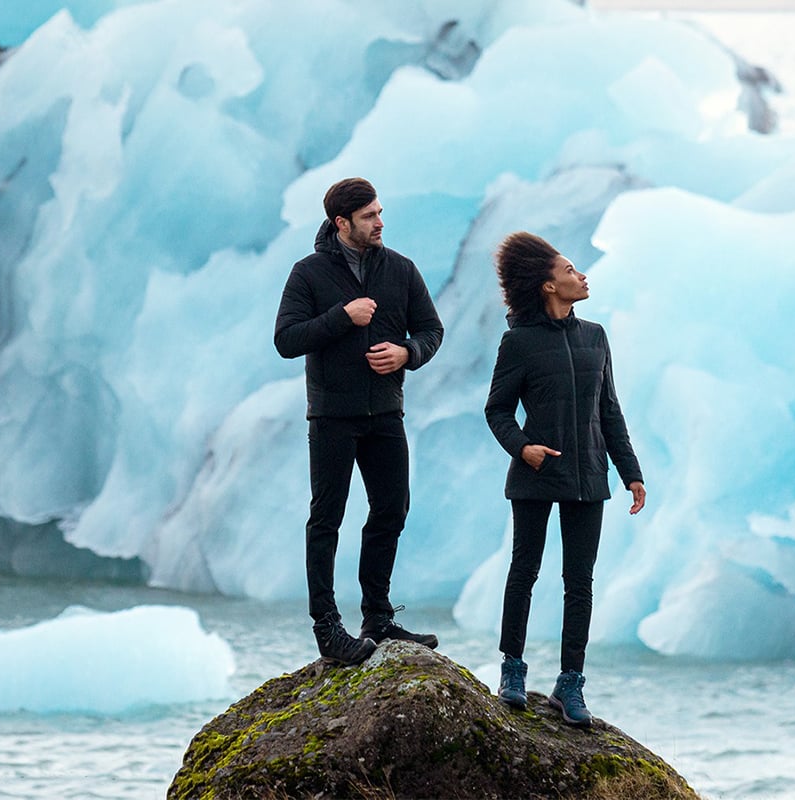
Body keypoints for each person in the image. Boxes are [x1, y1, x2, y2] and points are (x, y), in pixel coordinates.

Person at [274, 177, 444, 665]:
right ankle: (327, 628)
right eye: (369, 216)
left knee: (392, 509)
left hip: (386, 413)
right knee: (326, 519)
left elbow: (432, 330)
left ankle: (378, 617)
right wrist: (342, 317)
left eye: (380, 212)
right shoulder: (308, 274)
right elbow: (286, 339)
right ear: (341, 222)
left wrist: (407, 352)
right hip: (332, 415)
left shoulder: (401, 270)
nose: (380, 222)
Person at [484, 231, 646, 726]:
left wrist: (631, 473)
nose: (581, 275)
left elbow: (610, 411)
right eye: (571, 270)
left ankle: (569, 684)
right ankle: (512, 670)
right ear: (549, 286)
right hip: (537, 472)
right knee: (524, 573)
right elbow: (497, 411)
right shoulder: (519, 342)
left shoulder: (595, 336)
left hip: (590, 474)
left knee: (579, 583)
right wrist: (523, 448)